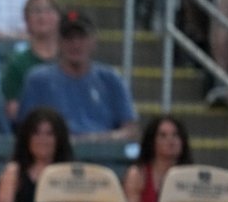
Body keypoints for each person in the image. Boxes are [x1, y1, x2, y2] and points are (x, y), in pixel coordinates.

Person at [17, 9, 139, 142]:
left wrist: (95, 139)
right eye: (69, 38)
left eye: (81, 37)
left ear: (93, 41)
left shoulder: (111, 78)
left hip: (102, 154)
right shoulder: (38, 80)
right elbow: (26, 129)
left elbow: (130, 129)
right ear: (59, 42)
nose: (75, 44)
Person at [0, 106, 74, 202]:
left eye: (49, 134)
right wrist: (10, 179)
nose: (42, 140)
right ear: (27, 138)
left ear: (59, 139)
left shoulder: (70, 172)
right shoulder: (14, 171)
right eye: (36, 133)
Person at [0, 0, 61, 122]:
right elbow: (12, 109)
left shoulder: (69, 59)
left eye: (48, 10)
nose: (42, 16)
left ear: (59, 18)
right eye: (36, 11)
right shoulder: (17, 63)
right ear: (26, 21)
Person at [123, 115, 194, 202]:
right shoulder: (138, 174)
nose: (170, 140)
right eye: (163, 135)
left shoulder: (192, 176)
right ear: (152, 142)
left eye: (175, 135)